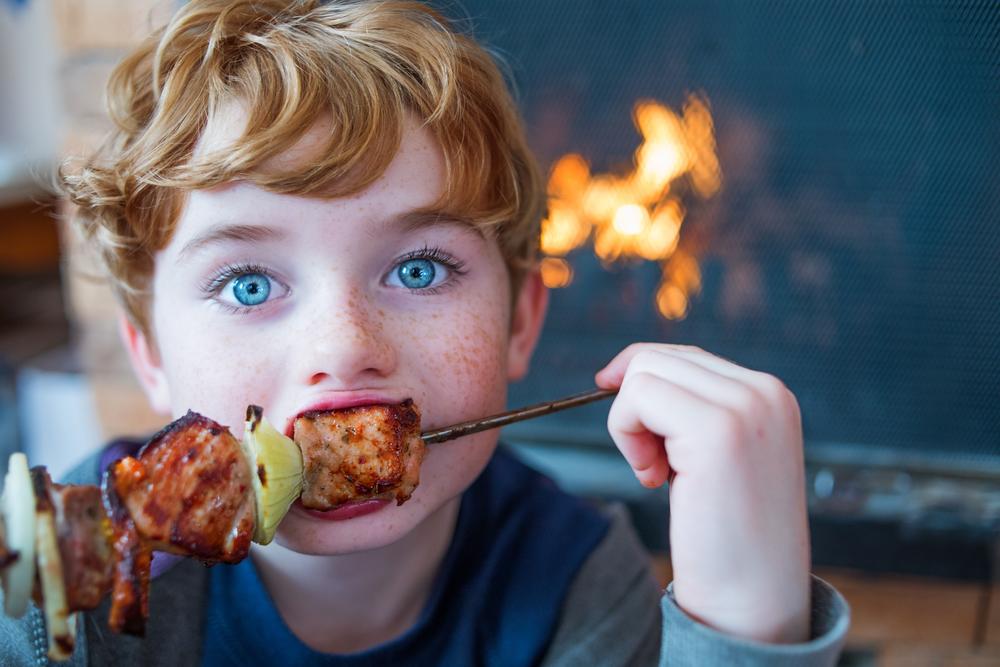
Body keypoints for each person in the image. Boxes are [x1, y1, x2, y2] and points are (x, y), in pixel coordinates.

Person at [1, 1, 849, 664]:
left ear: (521, 320)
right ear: (149, 354)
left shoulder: (579, 587)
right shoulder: (76, 575)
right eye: (248, 282)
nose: (343, 345)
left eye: (418, 269)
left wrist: (746, 620)